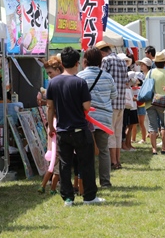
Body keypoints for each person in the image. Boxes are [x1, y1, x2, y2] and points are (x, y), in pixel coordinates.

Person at [46, 47, 104, 206]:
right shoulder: (80, 82)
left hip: (62, 130)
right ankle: (89, 196)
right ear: (77, 63)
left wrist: (51, 126)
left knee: (64, 165)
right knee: (86, 163)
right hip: (79, 129)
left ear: (62, 63)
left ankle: (68, 198)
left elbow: (50, 107)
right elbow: (86, 106)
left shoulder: (53, 83)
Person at [77, 47, 117, 188]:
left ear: (85, 60)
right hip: (104, 119)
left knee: (86, 152)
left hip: (86, 118)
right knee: (103, 150)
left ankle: (88, 183)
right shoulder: (107, 77)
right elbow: (114, 95)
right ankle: (105, 182)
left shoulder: (80, 76)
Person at [96, 41, 128, 170]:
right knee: (118, 133)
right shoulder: (122, 60)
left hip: (110, 102)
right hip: (121, 102)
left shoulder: (106, 61)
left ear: (102, 52)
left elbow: (100, 78)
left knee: (110, 133)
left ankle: (113, 161)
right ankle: (118, 160)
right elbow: (126, 81)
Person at [37, 55, 64, 195]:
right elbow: (50, 106)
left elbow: (50, 107)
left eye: (50, 73)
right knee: (56, 160)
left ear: (58, 69)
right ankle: (51, 186)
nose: (49, 76)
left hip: (56, 125)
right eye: (47, 73)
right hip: (57, 125)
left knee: (54, 159)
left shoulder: (56, 84)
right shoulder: (56, 84)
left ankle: (46, 185)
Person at [145, 52, 165, 154]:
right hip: (163, 103)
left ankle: (154, 149)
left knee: (152, 126)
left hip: (150, 101)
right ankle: (163, 147)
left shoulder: (150, 72)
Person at [135, 57, 152, 144]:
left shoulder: (150, 74)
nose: (141, 66)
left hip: (148, 100)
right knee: (145, 119)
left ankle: (149, 134)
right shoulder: (143, 75)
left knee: (147, 118)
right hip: (144, 100)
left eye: (143, 64)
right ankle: (147, 134)